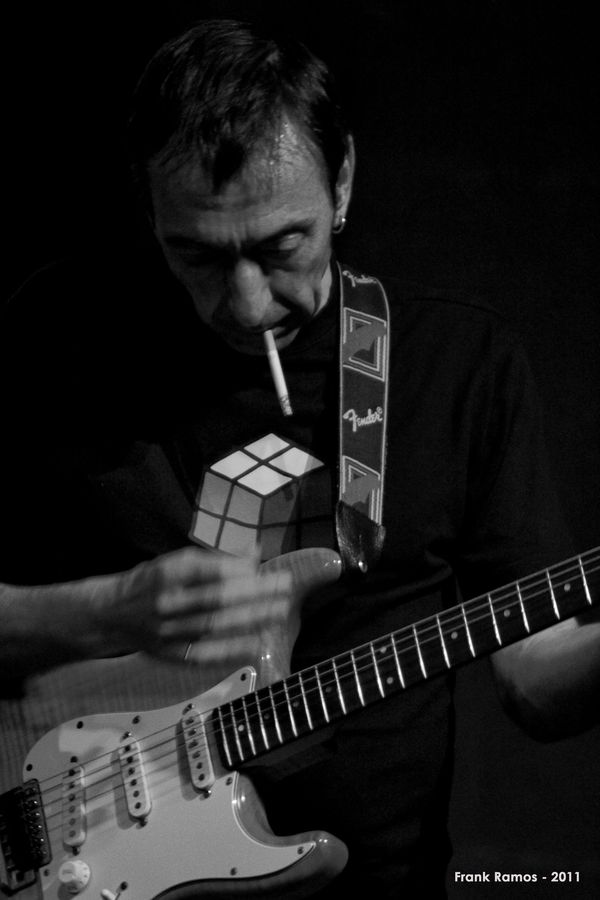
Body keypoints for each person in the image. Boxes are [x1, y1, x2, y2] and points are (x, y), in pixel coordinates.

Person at [1, 18, 598, 898]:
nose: (247, 305)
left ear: (342, 180)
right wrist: (103, 612)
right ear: (148, 207)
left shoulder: (457, 365)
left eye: (282, 247)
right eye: (197, 254)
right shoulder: (56, 337)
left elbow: (537, 685)